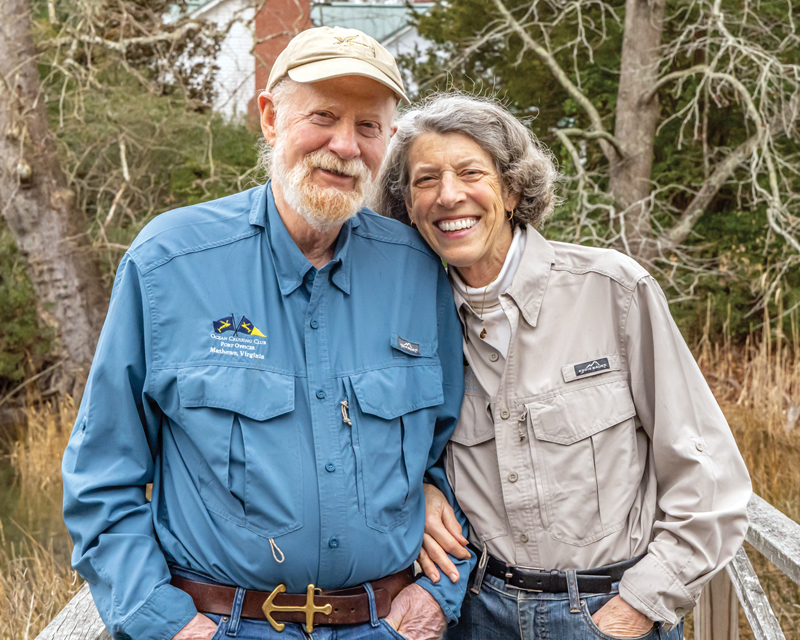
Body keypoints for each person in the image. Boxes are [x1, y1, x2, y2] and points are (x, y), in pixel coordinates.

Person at [62, 28, 474, 640]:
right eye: (324, 116)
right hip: (220, 626)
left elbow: (457, 455)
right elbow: (102, 478)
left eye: (368, 127)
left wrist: (438, 597)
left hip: (390, 626)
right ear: (270, 117)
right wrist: (167, 623)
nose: (344, 145)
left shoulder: (419, 270)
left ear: (389, 140)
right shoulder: (170, 264)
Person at [377, 93, 752, 639]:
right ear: (408, 207)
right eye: (425, 180)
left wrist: (640, 605)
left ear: (511, 190)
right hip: (476, 612)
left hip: (609, 610)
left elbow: (709, 475)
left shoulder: (613, 291)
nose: (449, 195)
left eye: (469, 172)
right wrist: (423, 490)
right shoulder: (405, 325)